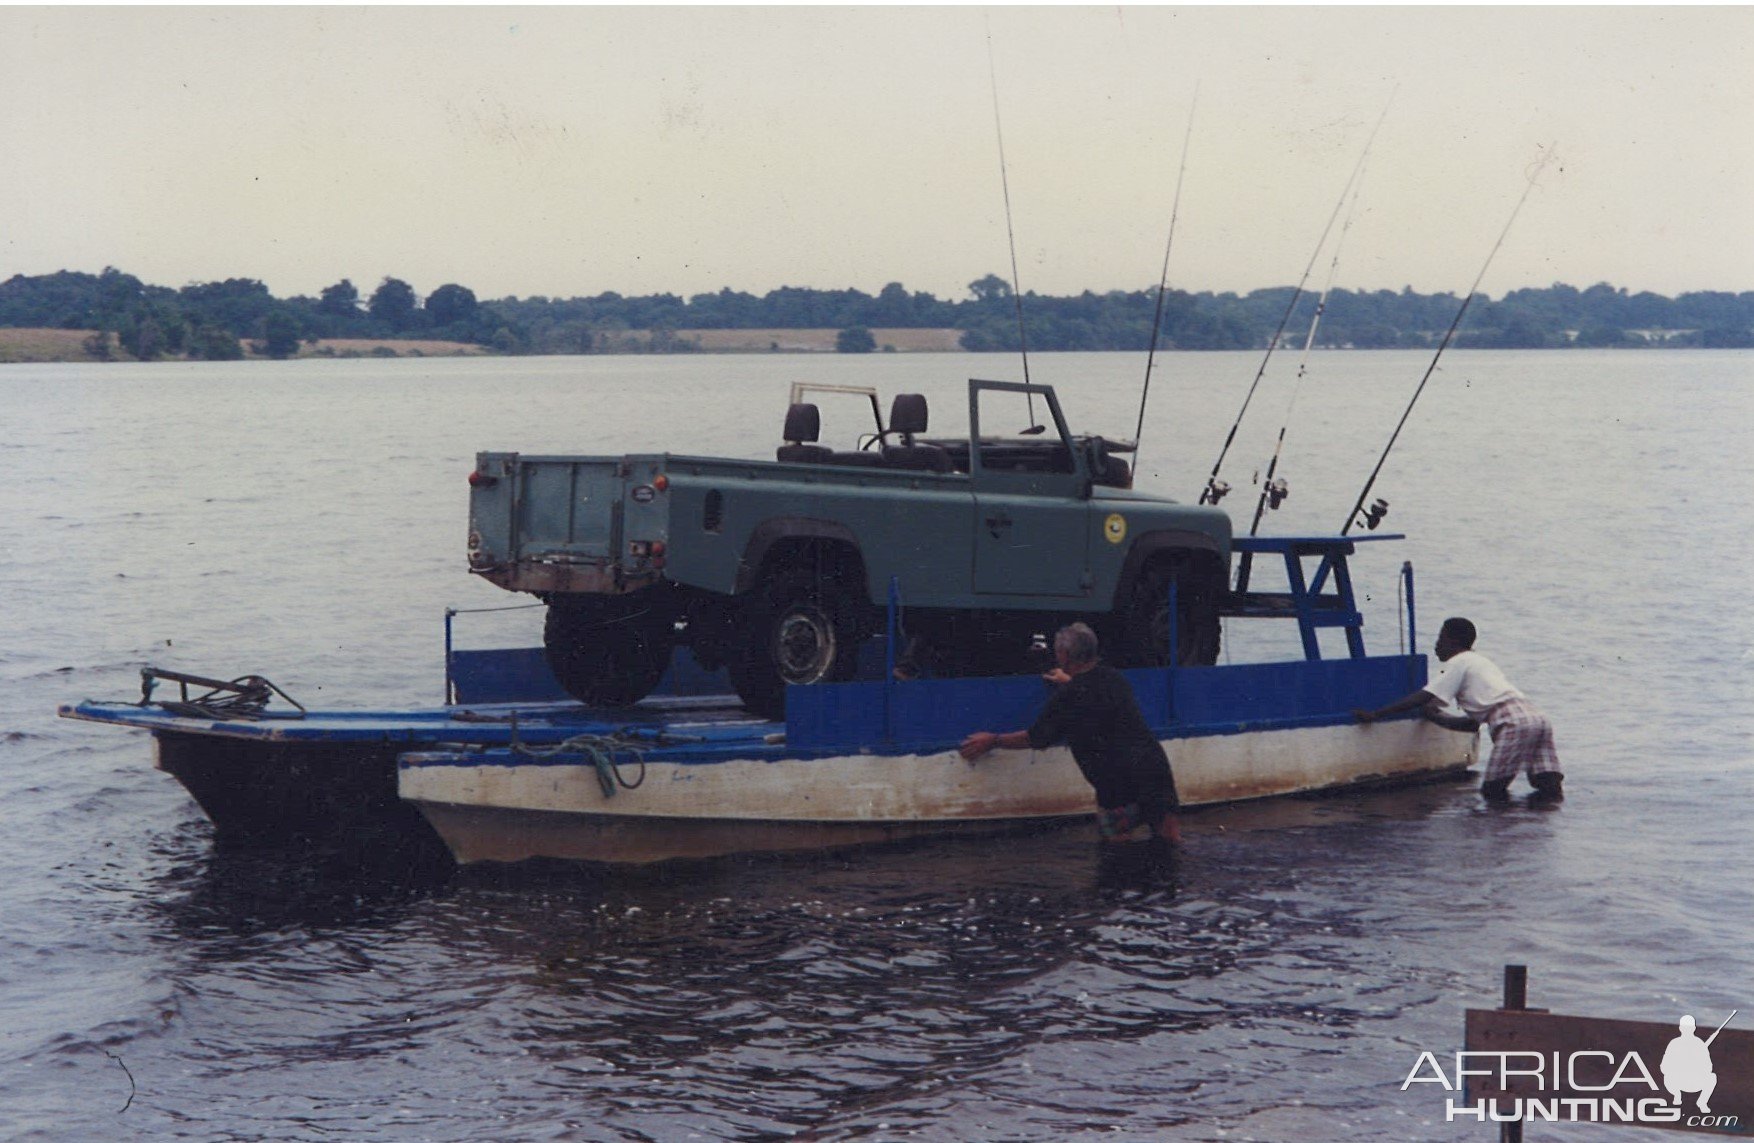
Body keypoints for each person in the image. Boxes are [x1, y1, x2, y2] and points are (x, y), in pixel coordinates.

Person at [959, 622, 1182, 844]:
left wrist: (993, 740)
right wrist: (1069, 681)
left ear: (1064, 655)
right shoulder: (1115, 679)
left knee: (1118, 855)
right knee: (1169, 846)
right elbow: (1094, 689)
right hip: (1156, 774)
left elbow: (1035, 738)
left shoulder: (1068, 698)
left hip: (1117, 786)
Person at [1353, 616, 1562, 802]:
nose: (1436, 646)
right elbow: (1471, 725)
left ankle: (1505, 832)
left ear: (1453, 642)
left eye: (1440, 640)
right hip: (1536, 717)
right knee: (1548, 783)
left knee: (1492, 790)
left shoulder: (1457, 662)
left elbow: (1425, 696)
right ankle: (1543, 828)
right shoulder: (1481, 662)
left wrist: (1377, 714)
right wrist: (1436, 717)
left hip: (1512, 721)